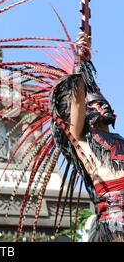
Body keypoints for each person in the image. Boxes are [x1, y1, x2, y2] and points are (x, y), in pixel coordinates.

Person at [53, 31, 124, 242]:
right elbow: (76, 99)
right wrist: (81, 60)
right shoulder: (83, 142)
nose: (102, 104)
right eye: (94, 103)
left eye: (104, 101)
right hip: (114, 226)